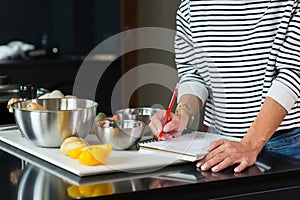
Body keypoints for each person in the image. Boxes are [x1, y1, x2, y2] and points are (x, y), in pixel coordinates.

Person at [149, 0, 300, 173]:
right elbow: (194, 74)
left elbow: (292, 74)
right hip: (220, 141)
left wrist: (249, 144)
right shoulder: (190, 5)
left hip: (284, 143)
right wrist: (183, 115)